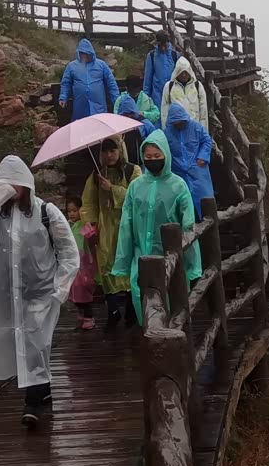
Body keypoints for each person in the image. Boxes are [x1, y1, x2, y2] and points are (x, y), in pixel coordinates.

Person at [0, 156, 79, 427]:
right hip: (9, 295)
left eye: (15, 184)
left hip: (42, 292)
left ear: (27, 184)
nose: (11, 189)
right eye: (4, 184)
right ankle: (43, 390)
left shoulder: (46, 212)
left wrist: (59, 290)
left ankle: (33, 402)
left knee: (37, 344)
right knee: (26, 345)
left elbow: (69, 252)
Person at [112, 130, 201, 324]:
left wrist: (192, 262)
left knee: (174, 305)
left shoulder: (178, 186)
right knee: (143, 304)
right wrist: (124, 260)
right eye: (148, 157)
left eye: (157, 156)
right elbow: (126, 224)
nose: (153, 160)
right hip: (141, 256)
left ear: (165, 155)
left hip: (171, 258)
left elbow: (188, 224)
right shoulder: (136, 186)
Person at [80, 136, 140, 326]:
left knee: (129, 265)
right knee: (107, 268)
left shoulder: (133, 171)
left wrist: (112, 188)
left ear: (120, 150)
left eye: (113, 150)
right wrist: (91, 224)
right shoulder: (96, 176)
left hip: (128, 227)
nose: (109, 155)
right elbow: (88, 203)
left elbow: (137, 196)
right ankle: (112, 311)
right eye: (105, 151)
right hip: (105, 229)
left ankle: (132, 310)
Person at [164, 102, 214, 219]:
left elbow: (207, 141)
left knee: (205, 200)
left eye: (180, 122)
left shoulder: (195, 127)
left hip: (197, 170)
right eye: (175, 123)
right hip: (178, 173)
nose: (178, 125)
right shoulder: (167, 132)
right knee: (183, 203)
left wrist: (203, 156)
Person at [59, 38, 120, 120]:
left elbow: (111, 83)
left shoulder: (101, 65)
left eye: (87, 53)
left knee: (99, 125)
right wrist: (63, 97)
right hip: (80, 107)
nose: (85, 56)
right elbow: (66, 83)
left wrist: (116, 101)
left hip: (99, 107)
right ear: (79, 53)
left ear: (91, 53)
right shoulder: (72, 66)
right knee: (81, 125)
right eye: (82, 53)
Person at [66, 197, 97, 330]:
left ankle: (89, 316)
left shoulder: (84, 225)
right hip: (72, 262)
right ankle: (81, 312)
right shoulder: (67, 225)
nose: (72, 214)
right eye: (69, 211)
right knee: (74, 288)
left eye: (74, 210)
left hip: (84, 262)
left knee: (84, 288)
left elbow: (92, 239)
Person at [160, 55, 209, 131]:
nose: (184, 75)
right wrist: (166, 131)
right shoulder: (169, 86)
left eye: (186, 72)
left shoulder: (198, 86)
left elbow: (203, 112)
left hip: (194, 129)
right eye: (181, 72)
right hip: (176, 129)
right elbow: (164, 111)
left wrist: (203, 131)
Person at [142, 30, 179, 109]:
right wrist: (146, 97)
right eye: (160, 45)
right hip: (157, 96)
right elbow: (148, 78)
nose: (162, 47)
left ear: (168, 42)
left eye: (164, 44)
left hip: (173, 95)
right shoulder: (151, 56)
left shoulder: (175, 55)